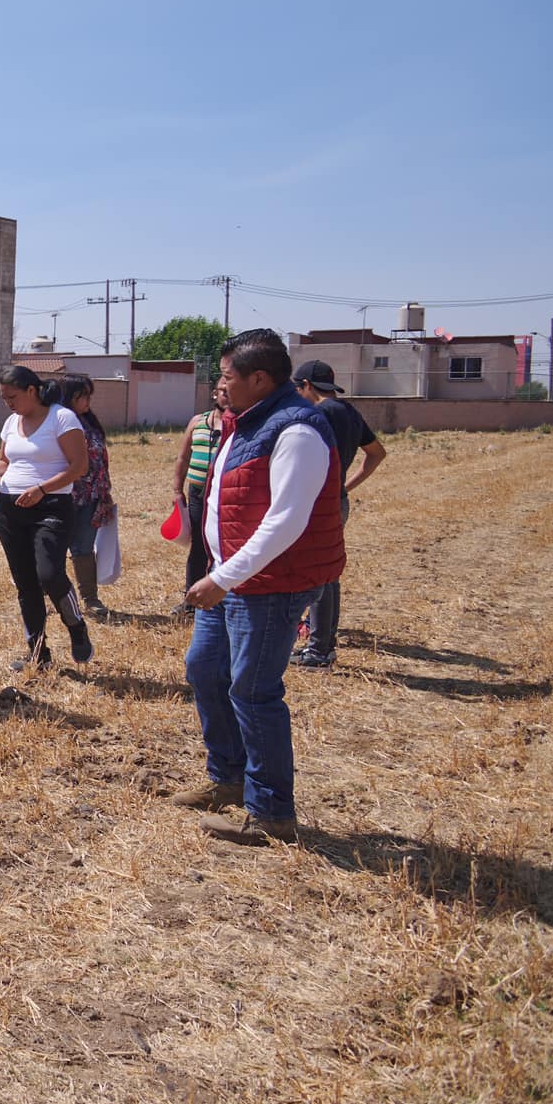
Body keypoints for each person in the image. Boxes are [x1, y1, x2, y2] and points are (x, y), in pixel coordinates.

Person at [173, 329, 345, 846]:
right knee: (205, 669)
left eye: (226, 376)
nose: (219, 385)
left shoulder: (296, 430)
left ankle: (271, 812)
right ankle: (227, 778)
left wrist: (222, 577)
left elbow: (285, 521)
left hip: (272, 582)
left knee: (252, 690)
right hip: (236, 576)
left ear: (260, 379)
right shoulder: (244, 422)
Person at [0, 365, 95, 671]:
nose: (8, 404)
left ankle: (76, 626)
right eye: (3, 398)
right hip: (10, 508)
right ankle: (38, 654)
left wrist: (41, 489)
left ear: (32, 390)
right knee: (25, 583)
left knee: (49, 574)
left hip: (51, 506)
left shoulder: (61, 418)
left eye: (12, 396)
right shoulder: (12, 422)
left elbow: (80, 467)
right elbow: (5, 462)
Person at [290, 359, 385, 668]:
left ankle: (319, 650)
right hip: (336, 500)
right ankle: (322, 644)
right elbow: (376, 453)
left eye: (297, 387)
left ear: (305, 386)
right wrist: (346, 484)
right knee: (328, 574)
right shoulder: (349, 412)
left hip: (317, 503)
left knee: (317, 575)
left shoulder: (316, 416)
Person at [172, 380, 233, 616]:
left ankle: (219, 597)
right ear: (214, 394)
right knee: (198, 545)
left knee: (221, 546)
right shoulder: (197, 422)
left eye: (230, 391)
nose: (226, 396)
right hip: (197, 493)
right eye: (222, 391)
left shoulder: (238, 425)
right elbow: (183, 457)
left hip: (223, 495)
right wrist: (177, 490)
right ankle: (191, 600)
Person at [62, 375, 116, 618]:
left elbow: (100, 461)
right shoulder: (58, 422)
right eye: (83, 395)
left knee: (84, 548)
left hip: (92, 495)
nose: (88, 401)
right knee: (52, 548)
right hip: (64, 495)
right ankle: (49, 592)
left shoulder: (89, 422)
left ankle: (90, 599)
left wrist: (104, 492)